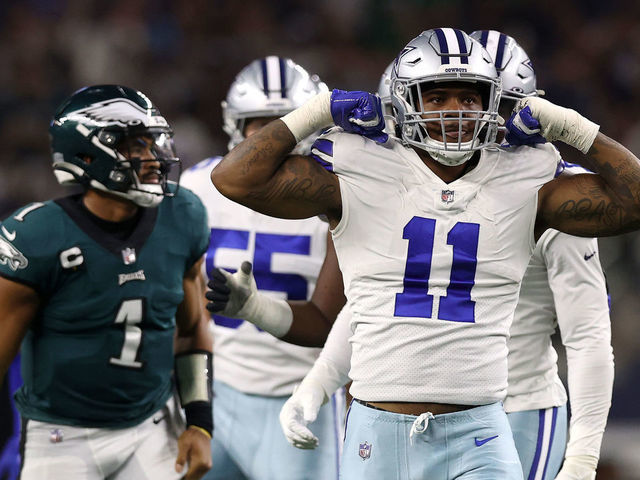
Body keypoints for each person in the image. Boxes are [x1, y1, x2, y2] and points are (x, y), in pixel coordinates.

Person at [209, 27, 640, 479]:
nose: (455, 112)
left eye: (469, 98)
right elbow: (237, 180)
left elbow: (626, 223)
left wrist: (567, 124)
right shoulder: (364, 165)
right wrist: (317, 111)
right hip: (377, 425)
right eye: (437, 98)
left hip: (486, 423)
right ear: (402, 103)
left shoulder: (532, 173)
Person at [0, 85, 213, 480]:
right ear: (86, 155)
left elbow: (191, 330)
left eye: (155, 144)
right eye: (136, 147)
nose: (154, 159)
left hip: (152, 425)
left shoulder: (183, 216)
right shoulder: (37, 238)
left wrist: (199, 421)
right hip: (60, 437)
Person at [180, 56, 345, 480]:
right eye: (262, 124)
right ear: (235, 126)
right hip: (217, 392)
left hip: (303, 396)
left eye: (287, 122)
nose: (276, 137)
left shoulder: (337, 194)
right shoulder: (195, 189)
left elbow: (335, 316)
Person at [471, 29, 614, 480]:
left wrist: (583, 458)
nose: (482, 123)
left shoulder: (553, 189)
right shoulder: (412, 181)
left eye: (502, 108)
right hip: (428, 407)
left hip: (518, 406)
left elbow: (588, 337)